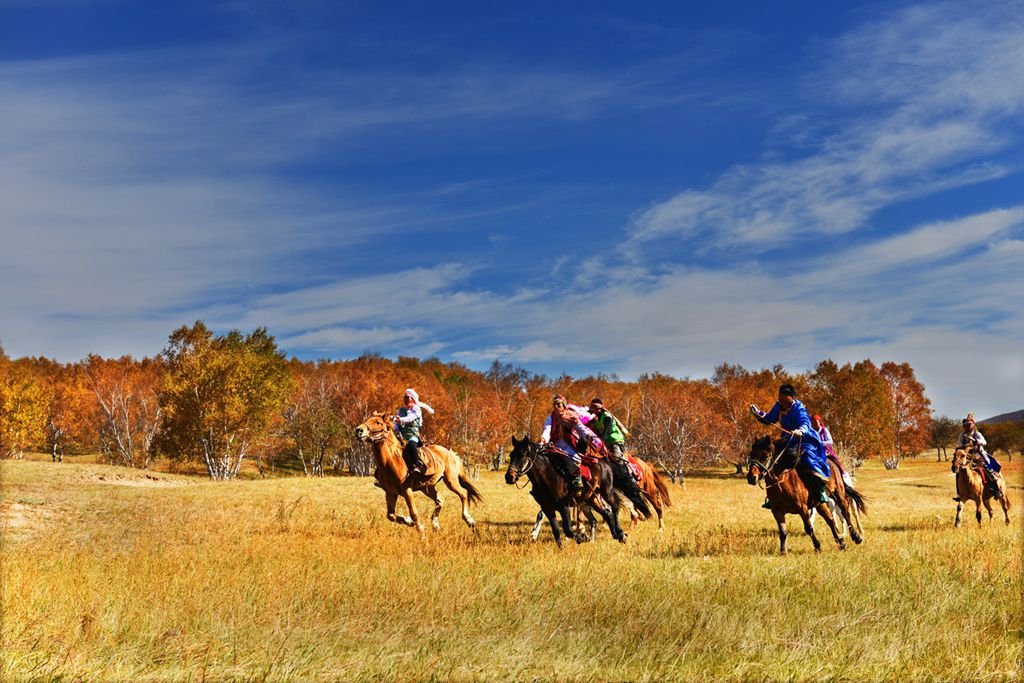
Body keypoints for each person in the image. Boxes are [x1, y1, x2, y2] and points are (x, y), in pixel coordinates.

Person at [750, 383, 830, 507]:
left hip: (805, 438)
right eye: (779, 395)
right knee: (775, 458)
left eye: (783, 396)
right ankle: (774, 497)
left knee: (808, 458)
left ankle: (820, 491)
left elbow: (805, 421)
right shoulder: (779, 406)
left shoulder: (798, 407)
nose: (780, 398)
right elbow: (770, 418)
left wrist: (801, 430)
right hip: (788, 438)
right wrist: (758, 413)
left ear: (791, 397)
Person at [539, 394, 603, 494]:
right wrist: (543, 440)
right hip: (554, 444)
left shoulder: (572, 416)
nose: (556, 407)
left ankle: (578, 481)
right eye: (554, 404)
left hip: (569, 444)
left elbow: (581, 429)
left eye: (558, 404)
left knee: (574, 459)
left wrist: (588, 436)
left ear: (564, 405)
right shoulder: (551, 418)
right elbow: (547, 430)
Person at [588, 397, 638, 484]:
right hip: (605, 443)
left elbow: (607, 431)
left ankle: (629, 478)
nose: (592, 411)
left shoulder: (607, 416)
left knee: (617, 459)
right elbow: (599, 434)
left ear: (599, 408)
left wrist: (600, 442)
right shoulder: (596, 421)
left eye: (593, 408)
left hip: (615, 440)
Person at [955, 413, 1002, 500]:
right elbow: (959, 444)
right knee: (959, 472)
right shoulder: (962, 435)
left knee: (988, 470)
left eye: (968, 424)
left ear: (973, 425)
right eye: (965, 425)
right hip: (967, 457)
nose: (967, 426)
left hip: (978, 456)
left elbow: (984, 442)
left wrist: (976, 441)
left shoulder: (977, 434)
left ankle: (996, 491)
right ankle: (960, 494)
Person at [394, 389, 435, 480]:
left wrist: (400, 420)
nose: (408, 398)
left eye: (410, 397)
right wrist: (396, 428)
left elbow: (410, 418)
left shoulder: (416, 409)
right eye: (406, 397)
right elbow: (396, 424)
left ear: (413, 399)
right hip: (400, 437)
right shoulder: (400, 410)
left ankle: (417, 466)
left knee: (411, 446)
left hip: (413, 436)